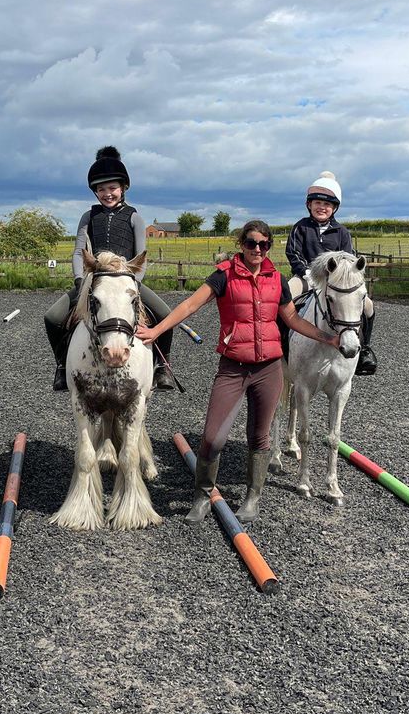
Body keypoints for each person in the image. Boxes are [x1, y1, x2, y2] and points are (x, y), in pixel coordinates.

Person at [136, 220, 351, 524]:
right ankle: (202, 495)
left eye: (263, 244)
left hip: (269, 368)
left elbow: (292, 320)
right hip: (233, 368)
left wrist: (328, 338)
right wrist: (157, 330)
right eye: (251, 243)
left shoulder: (276, 279)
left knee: (259, 436)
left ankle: (253, 496)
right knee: (212, 437)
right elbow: (190, 305)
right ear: (242, 244)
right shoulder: (224, 275)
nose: (257, 249)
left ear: (268, 247)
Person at [44, 146, 175, 392]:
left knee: (165, 313)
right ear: (95, 192)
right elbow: (78, 251)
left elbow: (141, 255)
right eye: (101, 189)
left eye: (112, 188)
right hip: (94, 281)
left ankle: (163, 366)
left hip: (127, 281)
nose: (107, 193)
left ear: (123, 188)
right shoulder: (88, 217)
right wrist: (79, 280)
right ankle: (62, 366)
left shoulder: (134, 217)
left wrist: (134, 282)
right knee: (51, 317)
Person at [284, 170, 377, 374]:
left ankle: (366, 349)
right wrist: (306, 272)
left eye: (327, 204)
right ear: (309, 205)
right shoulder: (300, 227)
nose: (322, 207)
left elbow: (348, 260)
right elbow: (293, 252)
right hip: (306, 278)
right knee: (284, 298)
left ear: (334, 208)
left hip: (335, 283)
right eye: (317, 203)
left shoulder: (342, 232)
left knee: (368, 306)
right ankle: (280, 347)